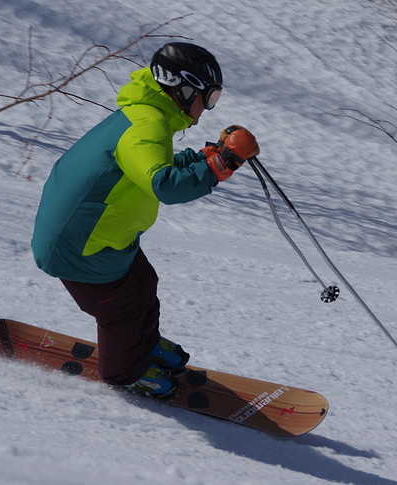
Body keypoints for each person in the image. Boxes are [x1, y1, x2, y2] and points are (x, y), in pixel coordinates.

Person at [31, 42, 259, 397]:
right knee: (121, 312)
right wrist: (223, 163)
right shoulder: (146, 125)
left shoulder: (148, 117)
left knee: (143, 283)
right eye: (209, 98)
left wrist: (206, 156)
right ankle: (124, 373)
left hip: (101, 235)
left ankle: (145, 344)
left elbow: (156, 165)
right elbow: (165, 185)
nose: (209, 109)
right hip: (79, 245)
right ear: (183, 89)